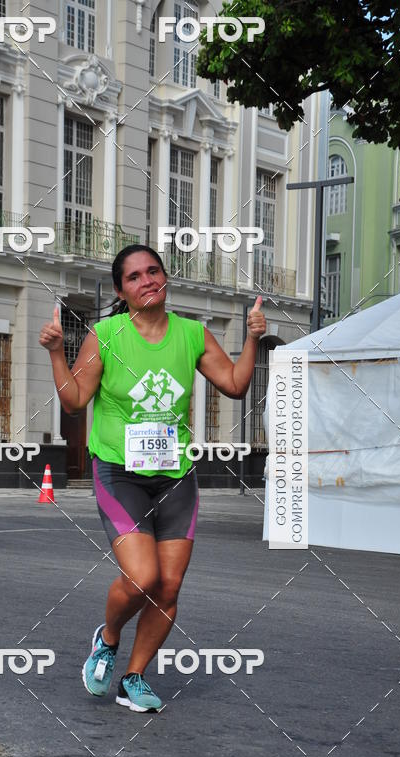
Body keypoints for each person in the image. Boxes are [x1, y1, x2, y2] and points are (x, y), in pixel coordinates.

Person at [39, 245, 266, 713]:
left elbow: (236, 385)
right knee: (142, 577)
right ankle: (107, 638)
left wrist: (253, 339)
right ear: (122, 290)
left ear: (165, 278)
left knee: (168, 586)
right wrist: (57, 353)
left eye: (153, 271)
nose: (146, 280)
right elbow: (75, 400)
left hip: (176, 475)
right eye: (135, 276)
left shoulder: (192, 334)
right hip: (120, 471)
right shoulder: (107, 335)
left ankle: (134, 678)